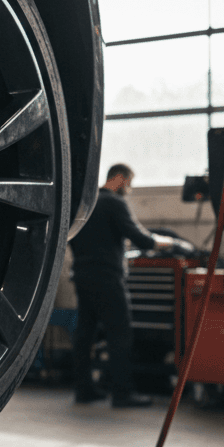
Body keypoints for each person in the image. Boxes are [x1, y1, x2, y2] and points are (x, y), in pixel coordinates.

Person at [70, 163, 176, 407]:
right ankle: (122, 393)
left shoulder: (84, 204)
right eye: (129, 183)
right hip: (108, 278)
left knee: (84, 334)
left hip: (82, 275)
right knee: (120, 333)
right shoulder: (114, 203)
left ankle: (83, 390)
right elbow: (141, 239)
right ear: (118, 179)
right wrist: (168, 242)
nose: (130, 188)